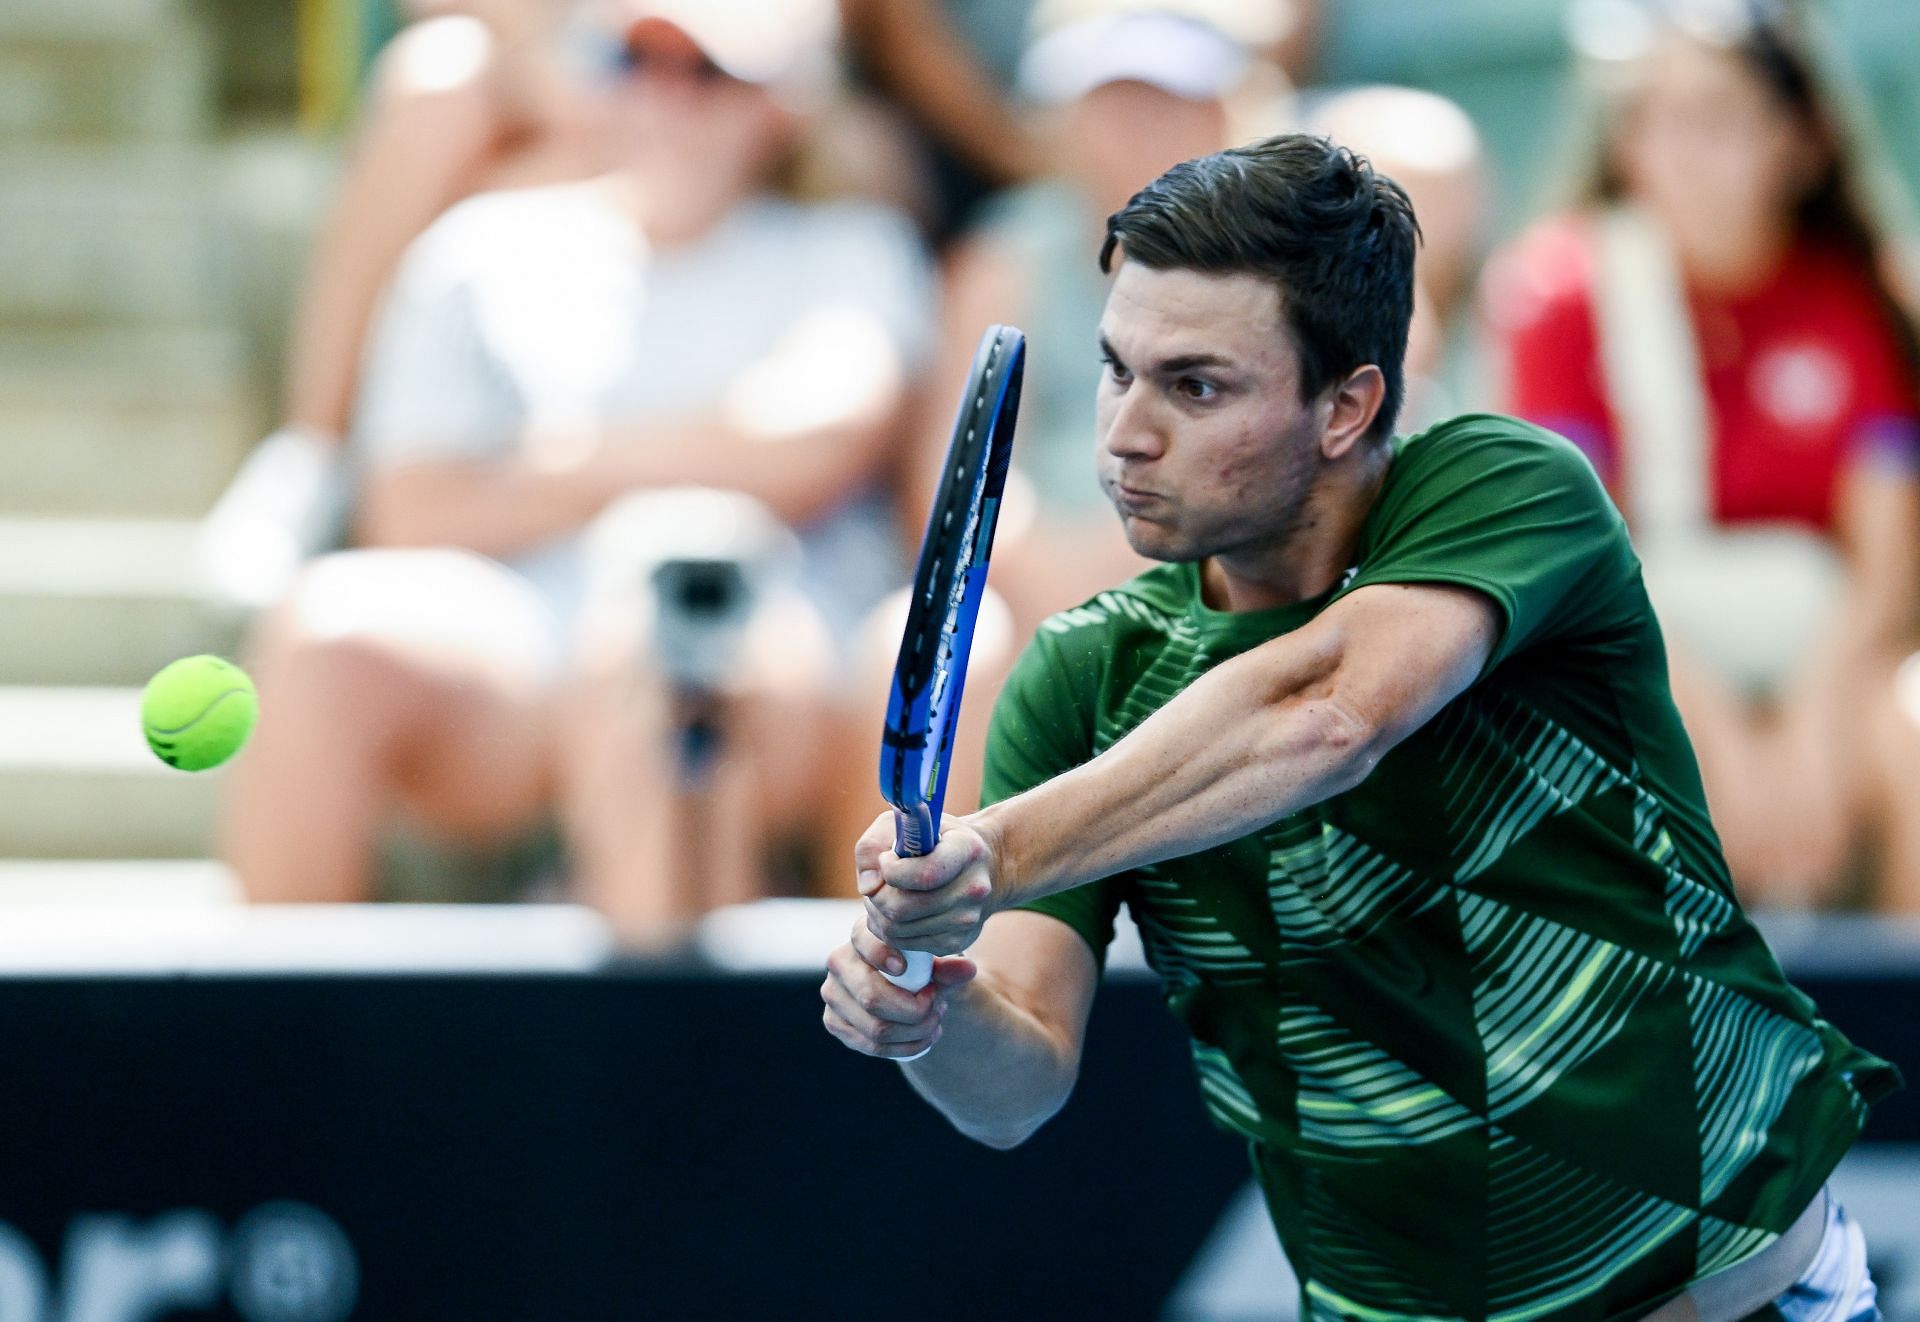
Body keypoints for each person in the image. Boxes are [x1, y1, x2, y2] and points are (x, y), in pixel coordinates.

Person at [821, 135, 1898, 1320]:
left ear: (1348, 405)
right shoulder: (1081, 677)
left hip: (1727, 1288)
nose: (1125, 432)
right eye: (1117, 370)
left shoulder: (1505, 490)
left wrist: (991, 851)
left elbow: (1327, 713)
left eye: (1196, 385)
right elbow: (1014, 1088)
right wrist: (929, 998)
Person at [224, 0, 933, 945]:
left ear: (779, 105)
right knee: (322, 637)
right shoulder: (485, 246)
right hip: (515, 652)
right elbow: (410, 505)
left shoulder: (852, 249)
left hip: (778, 650)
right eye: (637, 62)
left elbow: (814, 443)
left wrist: (544, 470)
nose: (666, 97)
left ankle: (662, 1064)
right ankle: (271, 1063)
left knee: (664, 641)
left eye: (709, 74)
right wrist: (701, 454)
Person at [1483, 0, 1920, 911]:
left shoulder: (1858, 298)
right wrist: (1718, 737)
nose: (1675, 148)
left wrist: (1809, 732)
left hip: (1831, 659)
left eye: (1715, 116)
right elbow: (1574, 554)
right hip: (1636, 655)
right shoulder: (1561, 292)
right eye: (1650, 116)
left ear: (1800, 142)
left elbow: (1886, 572)